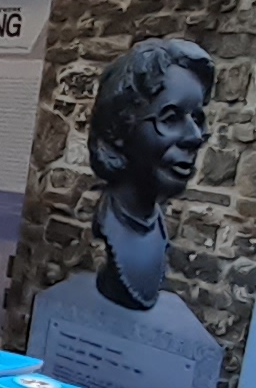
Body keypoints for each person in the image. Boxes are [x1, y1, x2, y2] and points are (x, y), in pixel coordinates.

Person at [88, 38, 214, 312]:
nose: (194, 137)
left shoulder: (155, 224)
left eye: (197, 119)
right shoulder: (112, 221)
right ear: (120, 128)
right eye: (170, 118)